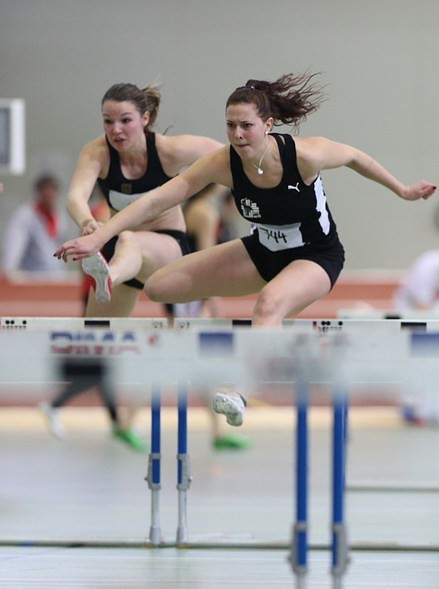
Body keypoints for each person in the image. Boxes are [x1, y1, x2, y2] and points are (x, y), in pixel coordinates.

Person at [54, 72, 437, 429]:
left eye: (246, 126)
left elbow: (356, 157)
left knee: (269, 303)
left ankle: (239, 390)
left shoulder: (304, 155)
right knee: (158, 287)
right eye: (230, 126)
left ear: (268, 125)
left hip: (316, 256)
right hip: (261, 251)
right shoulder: (223, 162)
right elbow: (157, 201)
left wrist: (402, 190)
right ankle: (125, 280)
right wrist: (98, 236)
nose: (237, 135)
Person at [42, 82, 224, 450]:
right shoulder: (98, 152)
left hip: (166, 251)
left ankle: (106, 273)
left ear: (145, 118)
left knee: (128, 240)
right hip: (120, 256)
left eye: (125, 120)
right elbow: (76, 196)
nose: (115, 130)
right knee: (95, 335)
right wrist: (87, 223)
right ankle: (109, 415)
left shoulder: (170, 150)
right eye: (108, 121)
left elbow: (231, 154)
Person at [392, 250, 439, 426]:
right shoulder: (429, 265)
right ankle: (413, 406)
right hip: (411, 315)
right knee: (423, 359)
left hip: (432, 315)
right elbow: (421, 306)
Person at [2, 174, 69, 277]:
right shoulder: (25, 217)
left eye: (53, 190)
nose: (50, 194)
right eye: (46, 190)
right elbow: (13, 248)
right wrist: (7, 273)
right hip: (32, 280)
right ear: (39, 193)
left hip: (56, 279)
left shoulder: (60, 217)